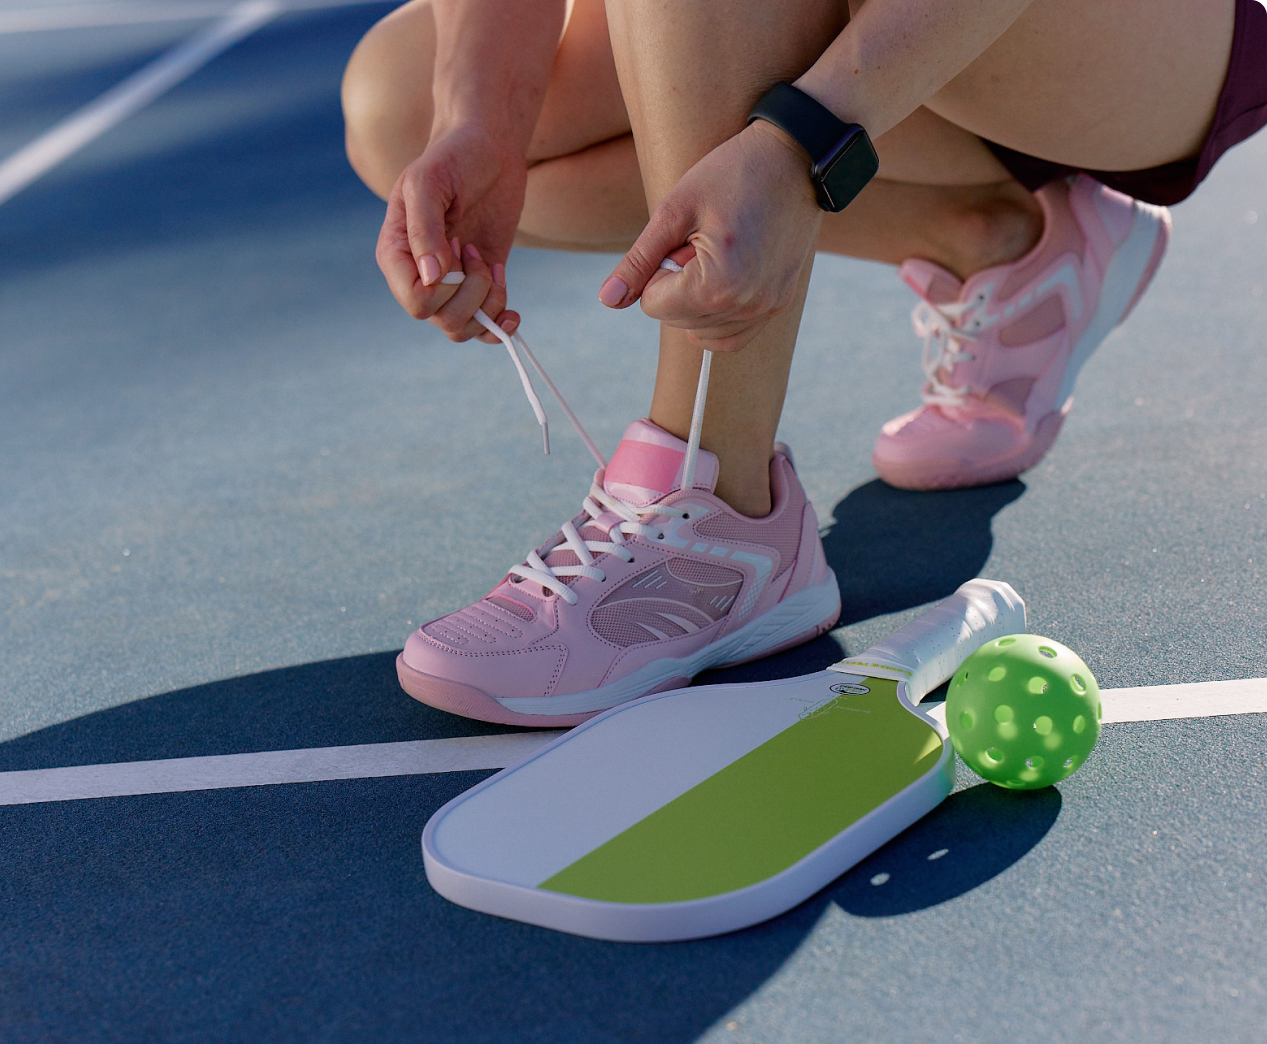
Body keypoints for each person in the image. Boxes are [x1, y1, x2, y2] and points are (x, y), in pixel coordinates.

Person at [341, 0, 1266, 725]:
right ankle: (994, 239)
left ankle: (720, 502)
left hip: (1141, 36)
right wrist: (482, 125)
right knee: (400, 108)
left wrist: (804, 140)